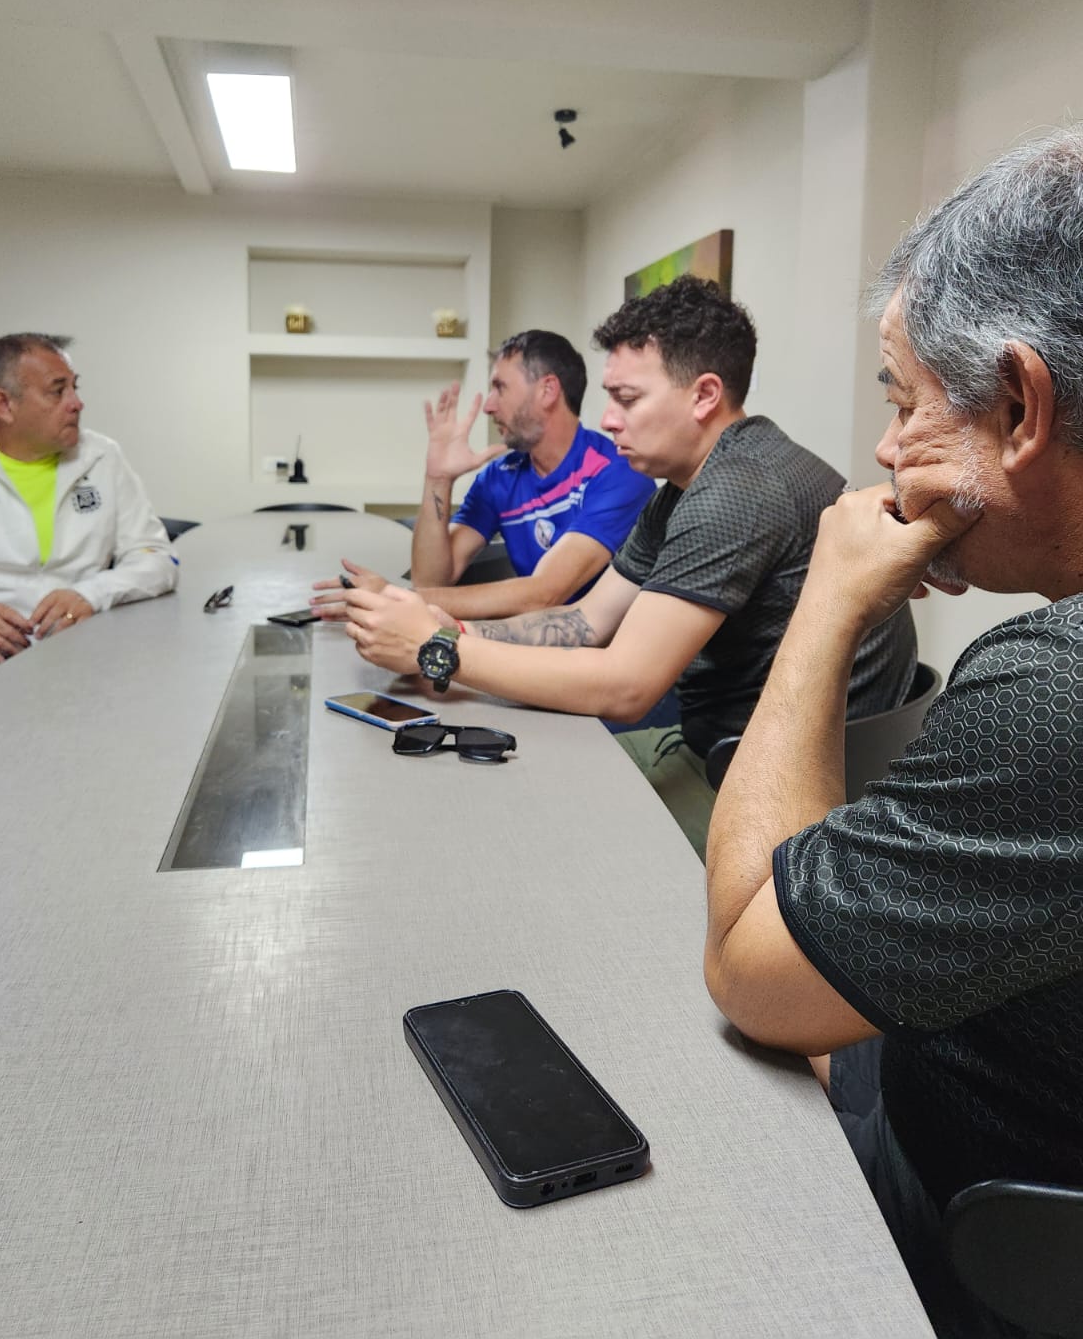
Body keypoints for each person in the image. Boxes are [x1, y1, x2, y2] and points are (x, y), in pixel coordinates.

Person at [702, 128, 1083, 1339]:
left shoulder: (1056, 692)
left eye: (907, 403)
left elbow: (752, 972)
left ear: (1020, 405)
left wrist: (828, 599)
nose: (882, 451)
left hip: (989, 1215)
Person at [340, 278, 917, 852]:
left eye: (628, 399)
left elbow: (626, 687)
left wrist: (438, 649)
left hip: (772, 795)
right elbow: (588, 619)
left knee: (520, 819)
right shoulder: (686, 485)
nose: (609, 419)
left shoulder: (736, 490)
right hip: (732, 751)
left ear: (704, 395)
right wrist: (452, 628)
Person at [0, 332, 177, 727]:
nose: (76, 402)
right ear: (3, 404)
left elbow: (156, 558)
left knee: (150, 725)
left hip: (76, 657)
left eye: (74, 387)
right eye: (57, 391)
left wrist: (91, 593)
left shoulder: (102, 457)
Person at [311, 329, 654, 620]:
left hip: (605, 660)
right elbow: (431, 581)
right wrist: (438, 478)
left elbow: (544, 594)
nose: (489, 406)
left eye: (500, 387)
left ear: (548, 390)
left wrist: (391, 595)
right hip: (531, 645)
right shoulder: (499, 478)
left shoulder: (617, 473)